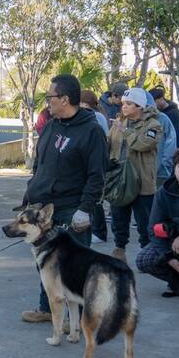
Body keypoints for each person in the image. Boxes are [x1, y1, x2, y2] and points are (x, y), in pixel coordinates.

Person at [19, 74, 107, 324]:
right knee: (45, 262)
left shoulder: (91, 131)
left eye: (50, 97)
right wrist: (30, 193)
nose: (47, 102)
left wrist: (85, 209)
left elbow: (96, 175)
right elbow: (41, 164)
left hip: (71, 207)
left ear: (65, 99)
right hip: (42, 207)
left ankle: (78, 317)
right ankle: (47, 308)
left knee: (73, 266)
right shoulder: (51, 125)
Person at [136, 147, 179, 300]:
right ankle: (176, 281)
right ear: (174, 169)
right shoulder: (163, 193)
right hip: (171, 242)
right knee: (143, 260)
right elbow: (153, 229)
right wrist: (169, 259)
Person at [107, 88, 162, 264]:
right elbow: (109, 143)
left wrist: (125, 131)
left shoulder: (153, 124)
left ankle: (146, 254)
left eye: (129, 104)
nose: (124, 107)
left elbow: (144, 144)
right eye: (123, 103)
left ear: (139, 106)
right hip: (119, 180)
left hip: (142, 182)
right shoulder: (118, 122)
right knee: (118, 217)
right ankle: (119, 249)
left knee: (145, 222)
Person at [79, 89, 110, 243]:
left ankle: (99, 231)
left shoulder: (95, 117)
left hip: (94, 162)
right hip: (90, 161)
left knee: (95, 198)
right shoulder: (99, 116)